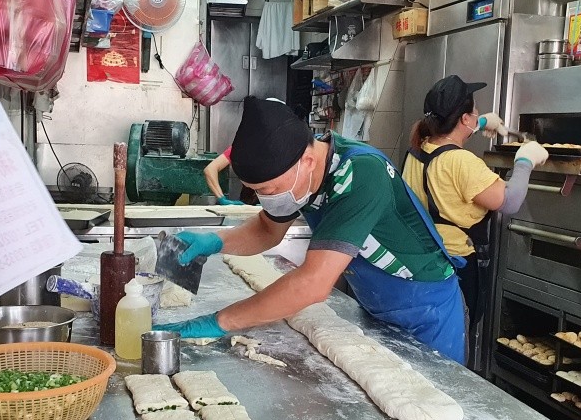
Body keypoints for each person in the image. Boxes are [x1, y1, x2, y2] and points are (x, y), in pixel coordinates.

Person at [156, 96, 469, 363]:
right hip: (377, 305)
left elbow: (313, 283)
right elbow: (268, 229)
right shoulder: (300, 179)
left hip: (427, 308)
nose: (266, 198)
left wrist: (221, 321)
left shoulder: (361, 175)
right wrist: (213, 242)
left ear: (307, 160)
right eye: (257, 190)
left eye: (267, 188)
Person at [401, 75, 548, 342]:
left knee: (427, 341)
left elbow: (447, 139)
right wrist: (525, 161)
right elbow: (511, 200)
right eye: (474, 112)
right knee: (454, 341)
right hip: (456, 266)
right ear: (464, 119)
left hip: (424, 261)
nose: (478, 113)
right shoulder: (461, 162)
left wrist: (480, 124)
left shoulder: (417, 150)